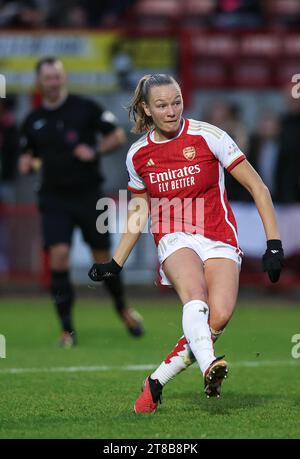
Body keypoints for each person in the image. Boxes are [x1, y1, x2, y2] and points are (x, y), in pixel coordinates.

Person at [88, 74, 284, 413]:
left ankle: (155, 382)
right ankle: (210, 366)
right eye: (161, 105)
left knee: (218, 317)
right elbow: (139, 209)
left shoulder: (209, 136)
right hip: (173, 235)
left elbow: (258, 188)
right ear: (146, 109)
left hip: (218, 235)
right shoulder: (138, 155)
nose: (171, 110)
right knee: (195, 299)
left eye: (176, 102)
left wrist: (274, 244)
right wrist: (115, 262)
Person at [18, 56, 144, 347]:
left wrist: (96, 150)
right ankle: (67, 330)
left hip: (89, 196)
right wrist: (27, 162)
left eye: (57, 76)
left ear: (64, 78)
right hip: (53, 199)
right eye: (48, 77)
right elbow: (30, 155)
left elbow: (114, 135)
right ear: (40, 82)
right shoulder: (33, 120)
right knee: (59, 256)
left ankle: (123, 308)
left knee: (103, 259)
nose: (54, 81)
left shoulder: (85, 108)